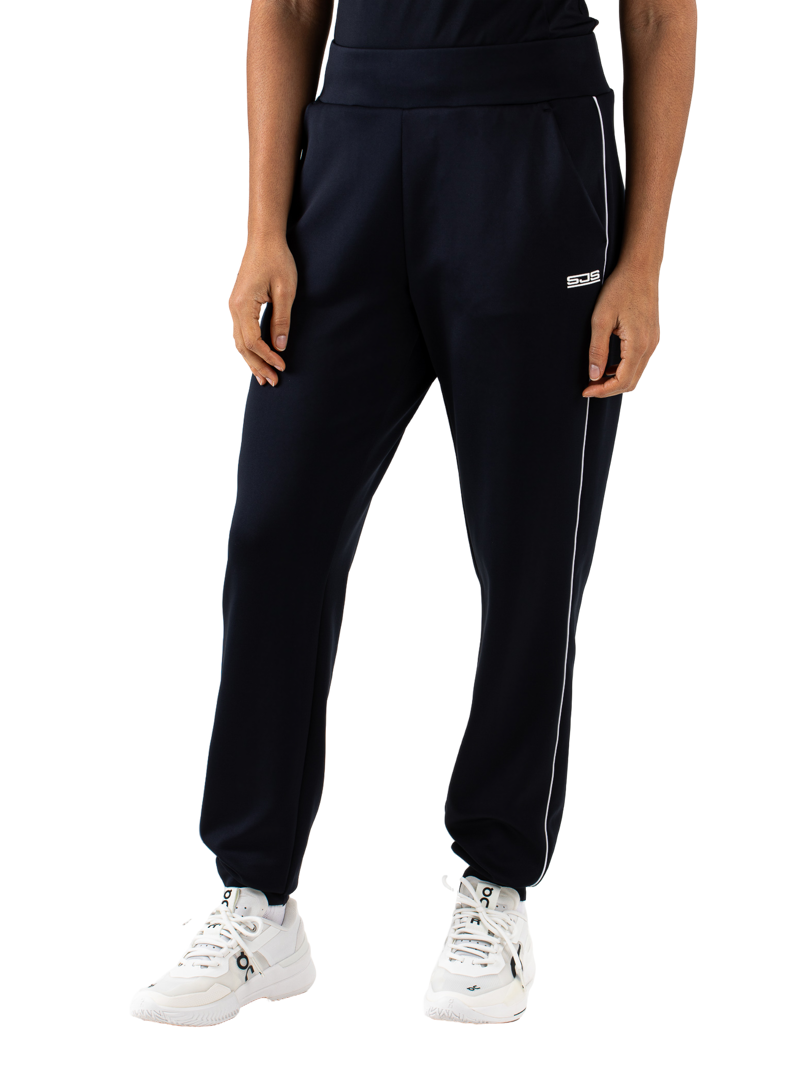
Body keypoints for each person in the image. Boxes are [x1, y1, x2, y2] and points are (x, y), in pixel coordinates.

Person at [131, 0, 697, 1026]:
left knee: (530, 554)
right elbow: (286, 8)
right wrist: (264, 233)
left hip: (534, 151)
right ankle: (256, 903)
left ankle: (496, 888)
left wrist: (645, 260)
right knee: (273, 533)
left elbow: (657, 18)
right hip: (349, 154)